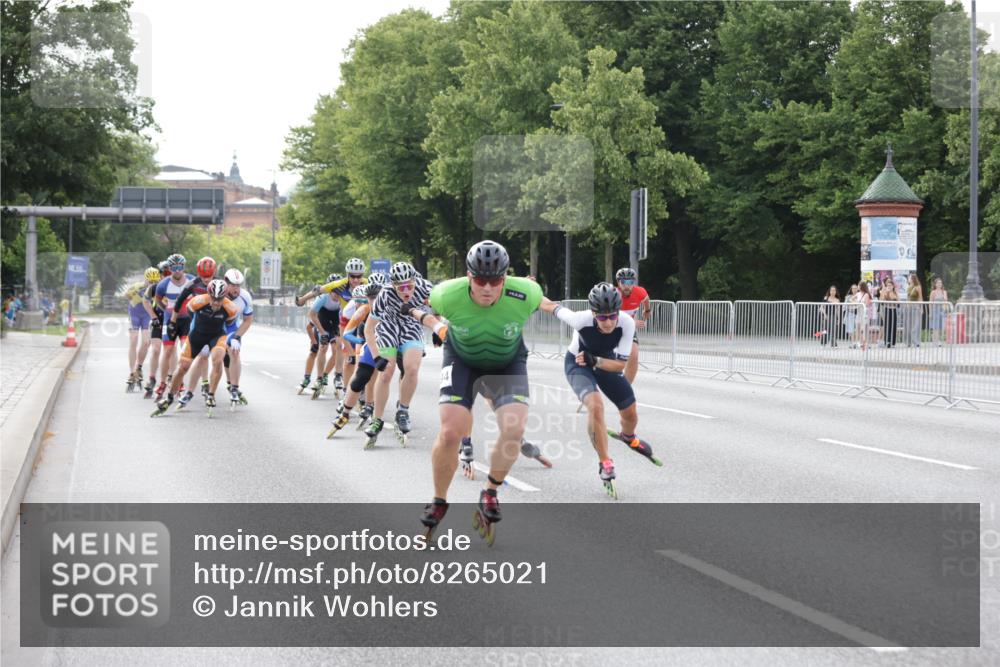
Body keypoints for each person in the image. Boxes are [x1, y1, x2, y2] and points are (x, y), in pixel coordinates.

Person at [406, 240, 545, 543]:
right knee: (450, 432)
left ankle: (491, 491)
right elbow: (428, 314)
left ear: (505, 278)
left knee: (514, 427)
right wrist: (436, 329)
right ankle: (439, 500)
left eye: (495, 280)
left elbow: (545, 302)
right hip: (462, 360)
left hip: (507, 363)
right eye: (480, 279)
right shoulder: (445, 295)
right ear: (468, 276)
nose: (487, 288)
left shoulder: (528, 293)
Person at [540, 282, 661, 498]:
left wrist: (595, 360)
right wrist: (529, 291)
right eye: (602, 317)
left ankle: (628, 436)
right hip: (577, 363)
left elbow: (620, 365)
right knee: (596, 406)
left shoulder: (626, 323)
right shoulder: (579, 319)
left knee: (630, 412)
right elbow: (550, 306)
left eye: (612, 316)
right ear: (593, 314)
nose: (608, 322)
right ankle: (605, 463)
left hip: (604, 362)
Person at [362, 262, 432, 447]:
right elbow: (369, 329)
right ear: (393, 285)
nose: (406, 290)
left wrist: (437, 326)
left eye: (410, 285)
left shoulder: (425, 286)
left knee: (411, 368)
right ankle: (377, 419)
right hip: (388, 326)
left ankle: (403, 410)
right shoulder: (385, 294)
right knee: (386, 371)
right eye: (401, 287)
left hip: (411, 326)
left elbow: (440, 305)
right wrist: (376, 356)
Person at [152, 280, 239, 415]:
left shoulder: (231, 308)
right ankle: (169, 398)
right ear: (208, 294)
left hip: (217, 336)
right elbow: (190, 313)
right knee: (183, 366)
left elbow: (230, 324)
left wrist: (233, 338)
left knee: (217, 360)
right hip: (196, 335)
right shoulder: (197, 302)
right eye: (214, 298)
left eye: (220, 299)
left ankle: (211, 394)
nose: (216, 302)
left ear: (225, 296)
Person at [326, 280, 386, 438]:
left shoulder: (391, 306)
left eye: (375, 298)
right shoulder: (360, 310)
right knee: (361, 375)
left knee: (385, 375)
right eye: (367, 299)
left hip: (389, 342)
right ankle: (345, 413)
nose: (367, 303)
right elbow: (346, 333)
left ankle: (379, 408)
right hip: (367, 338)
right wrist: (354, 351)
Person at [153, 254, 194, 398]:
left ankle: (179, 382)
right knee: (168, 351)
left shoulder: (191, 280)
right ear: (169, 268)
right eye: (174, 268)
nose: (177, 271)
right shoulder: (163, 284)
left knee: (184, 351)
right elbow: (157, 300)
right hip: (170, 321)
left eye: (180, 267)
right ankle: (163, 382)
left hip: (187, 321)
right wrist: (167, 311)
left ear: (184, 267)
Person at [124, 267, 160, 389]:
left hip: (146, 315)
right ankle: (132, 372)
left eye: (155, 281)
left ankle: (138, 368)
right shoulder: (137, 286)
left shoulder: (157, 289)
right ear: (146, 279)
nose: (152, 284)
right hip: (134, 313)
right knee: (133, 340)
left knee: (146, 342)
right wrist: (133, 296)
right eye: (150, 281)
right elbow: (126, 295)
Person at [222, 269, 254, 405]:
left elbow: (248, 320)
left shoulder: (245, 296)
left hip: (231, 327)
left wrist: (237, 336)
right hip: (215, 326)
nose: (236, 289)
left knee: (234, 351)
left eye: (238, 285)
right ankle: (210, 384)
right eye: (233, 285)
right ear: (226, 283)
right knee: (219, 356)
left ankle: (234, 388)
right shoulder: (217, 292)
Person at [614, 267, 651, 384]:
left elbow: (646, 299)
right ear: (618, 283)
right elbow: (607, 316)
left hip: (628, 328)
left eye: (630, 282)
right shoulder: (613, 294)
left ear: (634, 283)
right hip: (611, 326)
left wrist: (647, 310)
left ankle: (625, 387)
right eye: (623, 282)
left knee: (634, 354)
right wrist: (632, 322)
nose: (627, 285)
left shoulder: (640, 292)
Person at [142, 261, 171, 397]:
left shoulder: (176, 286)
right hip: (158, 321)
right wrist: (153, 317)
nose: (165, 276)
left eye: (168, 273)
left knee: (169, 351)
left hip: (171, 321)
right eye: (163, 273)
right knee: (156, 349)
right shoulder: (154, 287)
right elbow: (145, 301)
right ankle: (152, 378)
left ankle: (170, 377)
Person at [929, 278, 948, 347]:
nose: (939, 284)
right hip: (935, 310)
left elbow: (946, 301)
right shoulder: (933, 292)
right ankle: (935, 340)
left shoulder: (944, 292)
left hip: (942, 310)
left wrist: (946, 310)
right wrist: (930, 313)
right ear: (935, 284)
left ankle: (940, 340)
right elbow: (930, 303)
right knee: (935, 326)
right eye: (938, 283)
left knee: (941, 326)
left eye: (940, 283)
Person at [879, 278, 899, 348]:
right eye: (888, 285)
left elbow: (898, 303)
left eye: (890, 285)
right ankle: (887, 341)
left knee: (893, 326)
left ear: (893, 286)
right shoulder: (885, 292)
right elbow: (881, 301)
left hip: (894, 310)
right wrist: (884, 291)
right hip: (887, 310)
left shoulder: (895, 293)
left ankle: (893, 342)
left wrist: (894, 298)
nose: (889, 287)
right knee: (887, 326)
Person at [906, 274, 924, 347]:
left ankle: (916, 341)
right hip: (909, 307)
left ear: (913, 279)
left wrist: (921, 307)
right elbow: (908, 298)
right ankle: (909, 342)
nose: (908, 279)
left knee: (916, 325)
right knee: (909, 324)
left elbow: (920, 297)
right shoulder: (909, 287)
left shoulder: (918, 287)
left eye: (909, 278)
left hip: (916, 307)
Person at [857, 282, 873, 351]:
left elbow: (867, 304)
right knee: (859, 327)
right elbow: (851, 299)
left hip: (864, 313)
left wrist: (861, 304)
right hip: (859, 312)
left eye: (859, 285)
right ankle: (861, 342)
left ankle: (865, 343)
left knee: (864, 328)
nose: (858, 286)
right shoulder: (858, 294)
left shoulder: (866, 294)